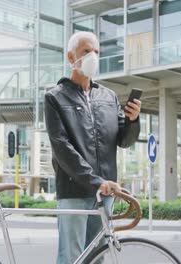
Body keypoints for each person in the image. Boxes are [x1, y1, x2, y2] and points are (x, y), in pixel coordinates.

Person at [44, 31, 141, 264]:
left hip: (106, 192)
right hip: (74, 191)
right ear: (71, 57)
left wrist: (133, 120)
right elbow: (61, 147)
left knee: (97, 255)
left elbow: (124, 141)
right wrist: (96, 181)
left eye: (96, 52)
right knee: (72, 257)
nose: (93, 57)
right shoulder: (55, 97)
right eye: (86, 52)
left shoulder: (108, 97)